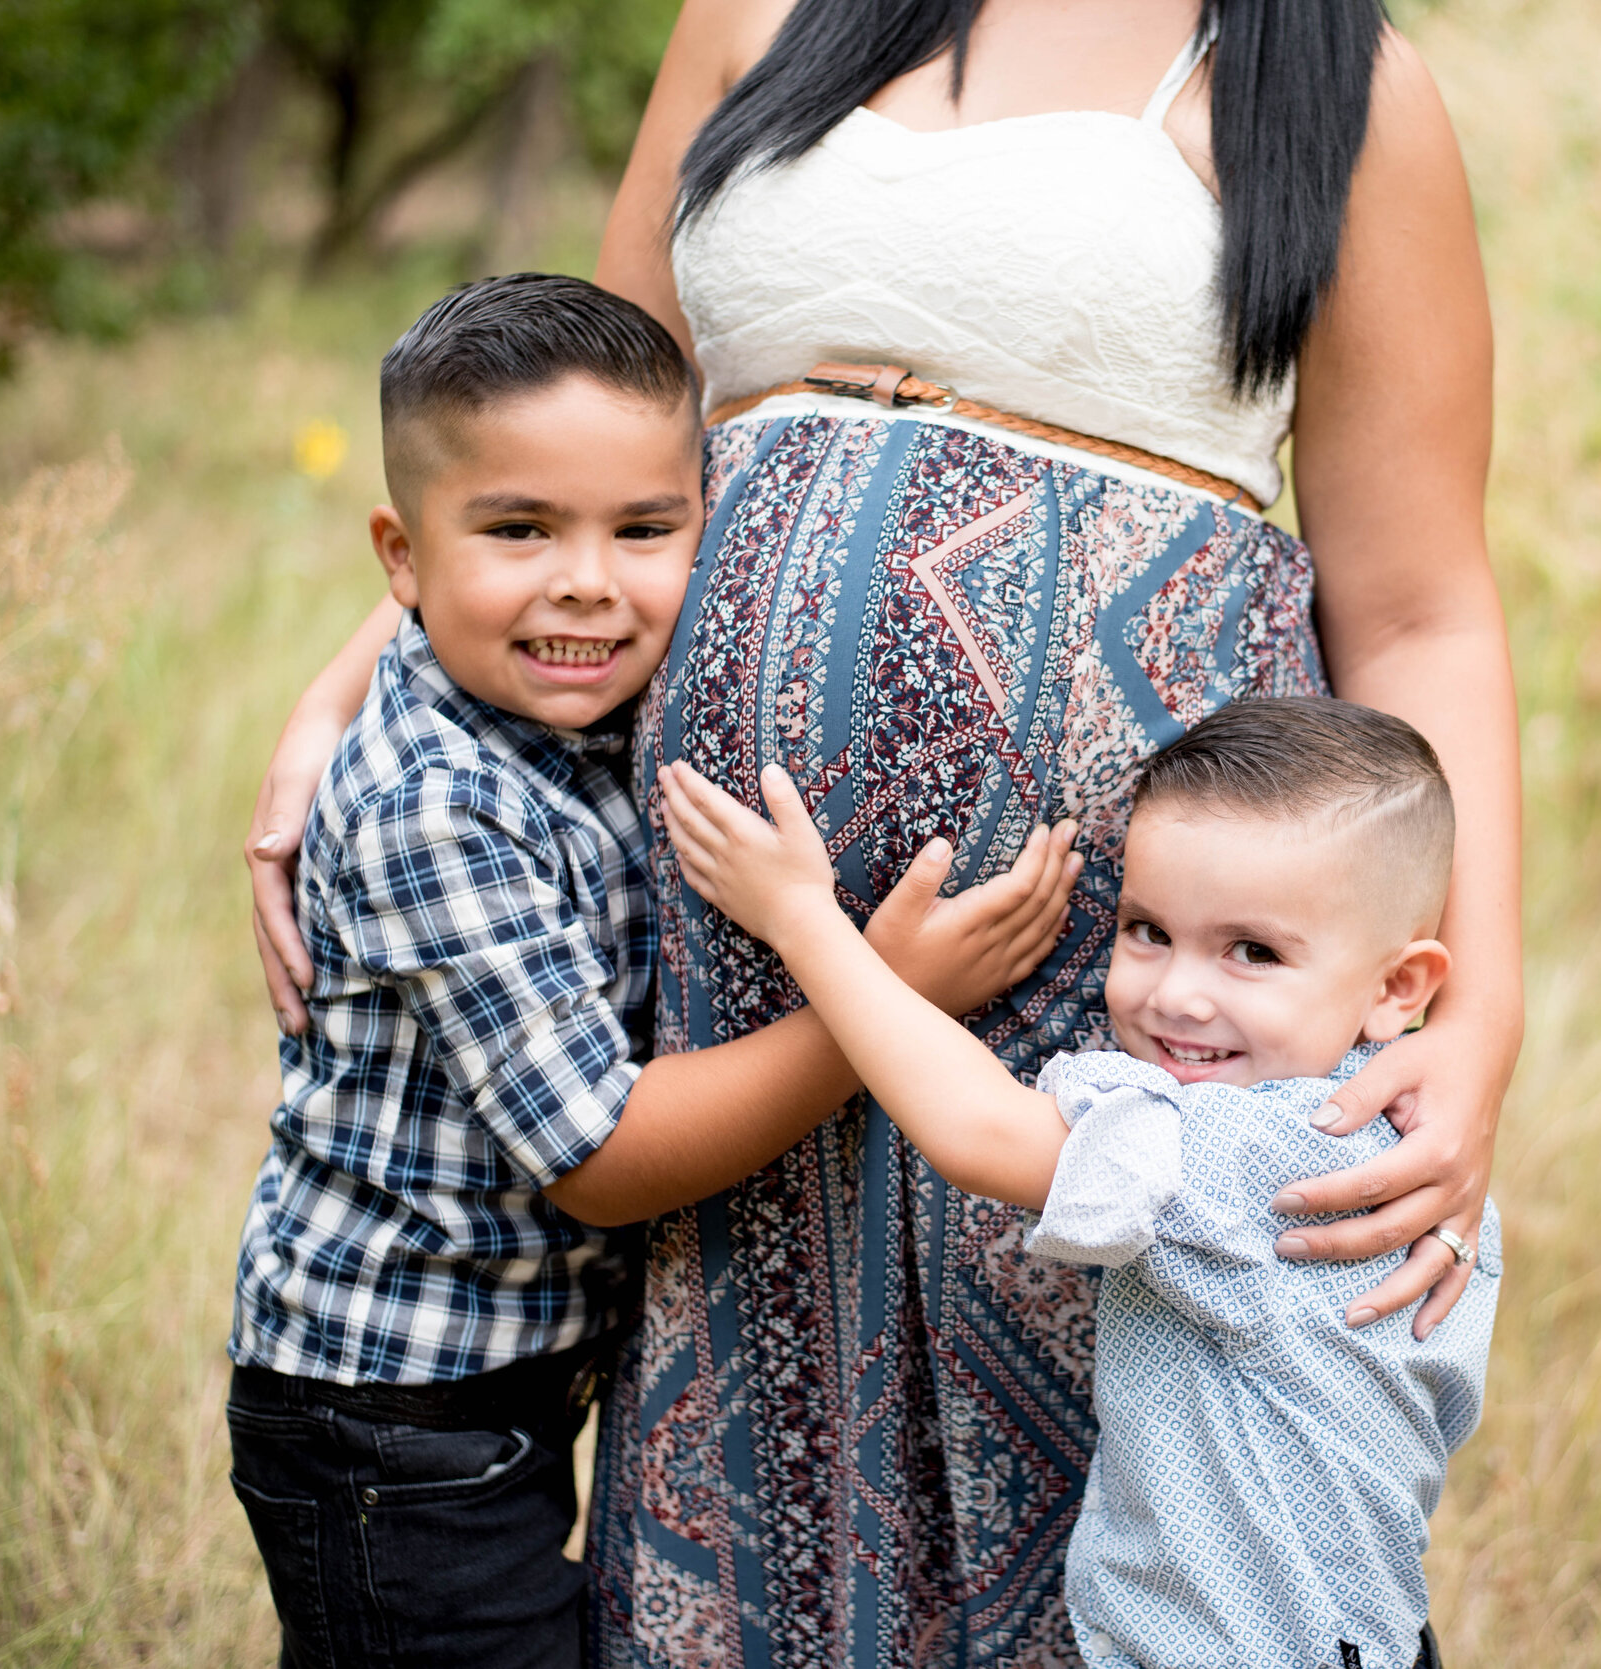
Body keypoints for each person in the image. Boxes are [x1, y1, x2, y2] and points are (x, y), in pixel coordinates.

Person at [247, 1, 1524, 1658]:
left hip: (1115, 952)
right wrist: (344, 691)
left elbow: (1420, 606)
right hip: (734, 959)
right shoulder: (756, 13)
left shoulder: (1335, 84)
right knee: (761, 1444)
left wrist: (1478, 1007)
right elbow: (565, 422)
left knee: (1095, 1442)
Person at [225, 273, 1076, 1668]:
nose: (586, 582)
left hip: (486, 1391)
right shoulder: (437, 802)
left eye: (644, 528)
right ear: (400, 554)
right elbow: (604, 1155)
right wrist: (881, 996)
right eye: (517, 529)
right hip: (381, 1416)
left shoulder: (566, 718)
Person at [658, 698, 1499, 1669]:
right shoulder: (1410, 1138)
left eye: (1253, 951)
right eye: (1147, 930)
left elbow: (978, 1131)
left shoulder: (1264, 1153)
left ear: (1400, 988)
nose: (1176, 992)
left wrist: (802, 918)